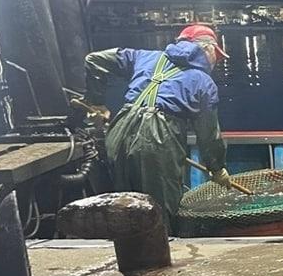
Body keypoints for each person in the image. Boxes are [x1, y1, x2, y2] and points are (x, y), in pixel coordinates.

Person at [83, 23, 232, 231]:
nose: (216, 61)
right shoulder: (203, 81)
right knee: (160, 211)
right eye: (216, 54)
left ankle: (128, 257)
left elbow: (94, 60)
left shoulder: (145, 56)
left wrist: (95, 102)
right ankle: (163, 255)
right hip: (158, 141)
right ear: (206, 48)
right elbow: (208, 134)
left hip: (119, 132)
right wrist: (217, 168)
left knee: (124, 205)